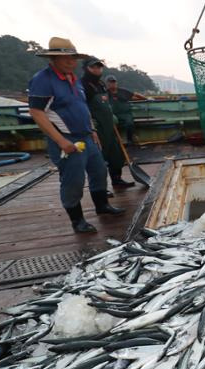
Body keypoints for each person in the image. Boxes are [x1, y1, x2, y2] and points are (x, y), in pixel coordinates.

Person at [28, 37, 124, 233]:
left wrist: (92, 130)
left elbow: (82, 107)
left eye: (74, 58)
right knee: (74, 180)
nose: (72, 62)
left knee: (99, 171)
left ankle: (102, 205)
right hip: (66, 138)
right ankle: (77, 220)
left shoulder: (75, 80)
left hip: (87, 137)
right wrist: (61, 141)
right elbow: (37, 112)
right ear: (53, 59)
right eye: (66, 59)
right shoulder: (43, 80)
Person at [81, 57, 134, 187]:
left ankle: (117, 180)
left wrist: (112, 117)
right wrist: (91, 125)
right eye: (93, 67)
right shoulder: (82, 85)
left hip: (110, 127)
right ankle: (101, 188)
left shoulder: (101, 85)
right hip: (97, 128)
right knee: (99, 160)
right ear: (86, 69)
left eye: (99, 67)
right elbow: (81, 107)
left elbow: (106, 104)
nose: (97, 69)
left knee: (116, 156)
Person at [105, 74, 148, 144]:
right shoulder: (105, 93)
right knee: (109, 124)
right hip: (113, 114)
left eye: (114, 82)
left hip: (125, 113)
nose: (113, 84)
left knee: (129, 123)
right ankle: (114, 141)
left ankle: (130, 140)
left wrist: (147, 99)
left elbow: (135, 94)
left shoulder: (123, 91)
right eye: (110, 82)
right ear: (107, 83)